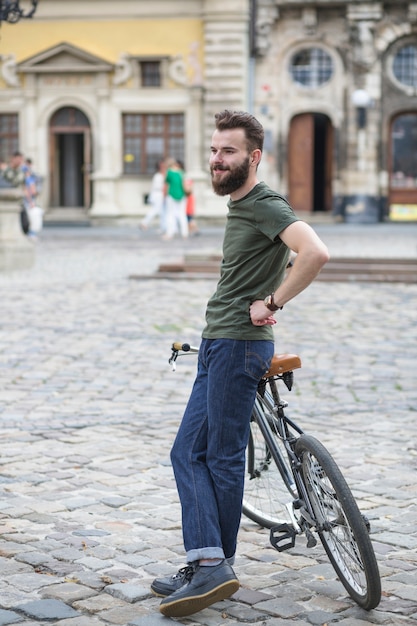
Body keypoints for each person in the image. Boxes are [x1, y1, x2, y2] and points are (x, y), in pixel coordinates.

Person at [151, 110, 329, 618]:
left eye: (226, 152)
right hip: (220, 343)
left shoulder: (264, 203)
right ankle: (209, 562)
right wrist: (273, 280)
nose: (215, 160)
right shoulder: (245, 205)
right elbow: (288, 256)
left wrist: (271, 302)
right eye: (212, 150)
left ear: (252, 157)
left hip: (236, 345)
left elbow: (315, 252)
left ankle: (212, 564)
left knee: (214, 456)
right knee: (190, 452)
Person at [162, 158, 188, 239]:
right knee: (182, 214)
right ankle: (184, 233)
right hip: (182, 195)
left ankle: (170, 233)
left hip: (171, 195)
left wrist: (164, 195)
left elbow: (166, 185)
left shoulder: (169, 172)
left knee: (170, 214)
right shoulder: (181, 172)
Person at [140, 159, 167, 232]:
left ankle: (163, 227)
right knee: (156, 210)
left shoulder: (163, 175)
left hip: (161, 194)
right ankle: (144, 222)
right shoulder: (158, 176)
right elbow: (158, 187)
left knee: (162, 212)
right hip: (158, 195)